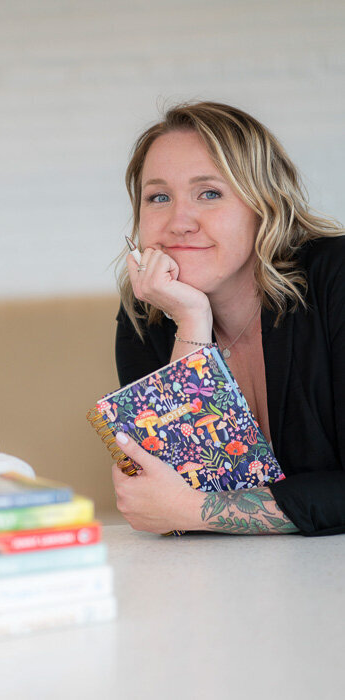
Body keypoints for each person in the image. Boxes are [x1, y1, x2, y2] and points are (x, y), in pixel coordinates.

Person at [112, 101, 345, 537]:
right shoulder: (147, 316)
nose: (179, 222)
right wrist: (191, 321)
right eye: (159, 197)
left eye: (209, 193)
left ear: (264, 204)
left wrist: (198, 511)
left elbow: (183, 508)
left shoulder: (336, 278)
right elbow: (171, 491)